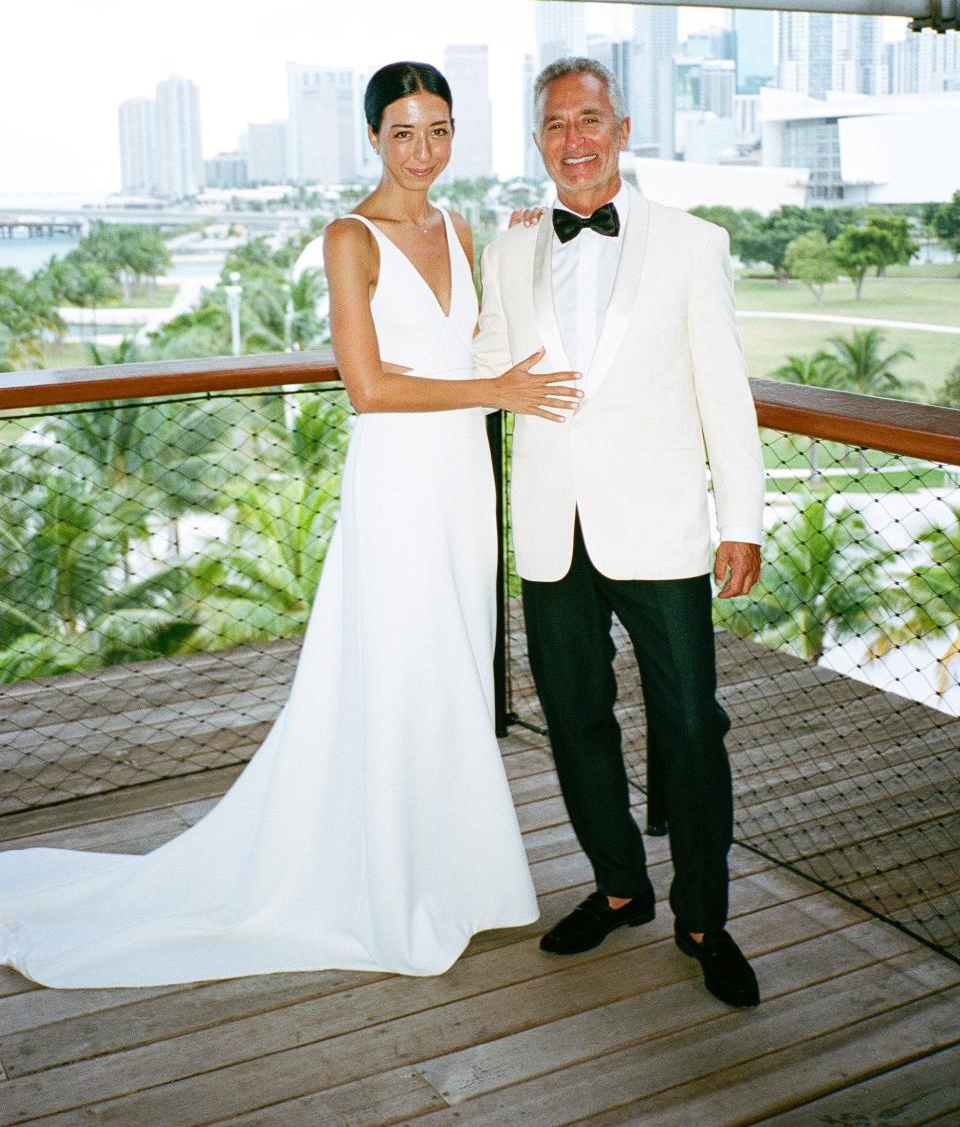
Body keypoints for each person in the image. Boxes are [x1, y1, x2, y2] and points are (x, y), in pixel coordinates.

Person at [0, 61, 581, 989]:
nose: (423, 151)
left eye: (439, 130)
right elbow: (371, 387)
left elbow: (467, 341)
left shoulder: (464, 227)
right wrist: (501, 392)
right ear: (373, 139)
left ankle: (456, 876)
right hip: (397, 481)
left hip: (462, 485)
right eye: (403, 133)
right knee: (396, 665)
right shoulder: (348, 237)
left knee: (452, 669)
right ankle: (390, 886)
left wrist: (520, 252)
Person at [474, 57, 765, 1009]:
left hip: (664, 528)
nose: (575, 140)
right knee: (575, 720)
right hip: (555, 529)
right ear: (538, 141)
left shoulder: (692, 242)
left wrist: (744, 520)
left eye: (589, 119)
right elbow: (486, 361)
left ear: (623, 128)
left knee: (691, 725)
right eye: (556, 125)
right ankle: (617, 885)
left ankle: (704, 916)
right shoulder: (510, 244)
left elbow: (725, 389)